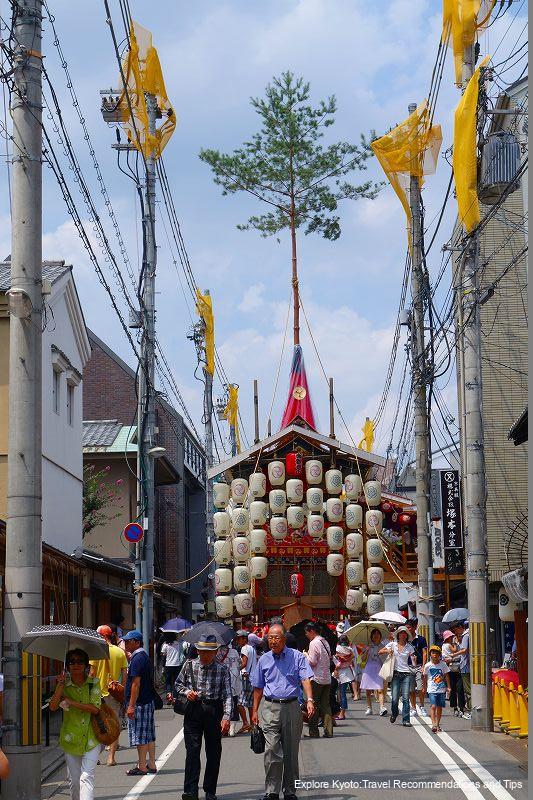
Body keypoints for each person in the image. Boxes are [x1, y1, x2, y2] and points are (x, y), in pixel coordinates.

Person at [251, 623, 315, 800]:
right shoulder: (264, 659)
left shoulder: (297, 657)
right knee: (271, 749)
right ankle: (272, 790)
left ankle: (290, 791)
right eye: (270, 638)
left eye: (276, 637)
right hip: (270, 707)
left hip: (292, 707)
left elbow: (305, 680)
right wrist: (254, 711)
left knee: (291, 752)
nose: (272, 641)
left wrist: (309, 700)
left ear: (284, 639)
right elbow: (257, 687)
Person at [174, 634, 232, 800]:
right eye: (202, 651)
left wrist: (226, 717)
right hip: (193, 710)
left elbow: (227, 695)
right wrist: (187, 692)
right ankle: (191, 790)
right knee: (192, 751)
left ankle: (210, 790)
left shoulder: (222, 669)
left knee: (213, 752)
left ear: (215, 652)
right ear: (197, 650)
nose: (205, 655)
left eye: (209, 652)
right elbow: (178, 684)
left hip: (213, 711)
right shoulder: (189, 665)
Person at [49, 648, 102, 800]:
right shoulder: (64, 685)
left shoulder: (93, 684)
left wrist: (71, 702)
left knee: (86, 777)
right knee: (75, 781)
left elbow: (95, 708)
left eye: (80, 661)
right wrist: (59, 685)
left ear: (86, 665)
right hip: (70, 739)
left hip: (92, 738)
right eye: (72, 661)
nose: (76, 664)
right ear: (67, 666)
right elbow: (53, 707)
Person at [89, 624, 127, 766]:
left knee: (95, 725)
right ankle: (111, 758)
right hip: (113, 693)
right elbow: (125, 674)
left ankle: (94, 756)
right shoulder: (119, 652)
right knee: (114, 724)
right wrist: (122, 688)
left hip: (97, 693)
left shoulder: (95, 652)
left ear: (101, 636)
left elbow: (92, 674)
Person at [123, 630, 156, 776]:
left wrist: (131, 705)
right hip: (147, 700)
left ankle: (142, 766)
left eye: (128, 641)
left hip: (140, 703)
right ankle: (151, 763)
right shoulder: (143, 656)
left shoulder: (137, 659)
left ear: (136, 642)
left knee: (140, 735)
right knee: (148, 734)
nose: (125, 643)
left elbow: (135, 684)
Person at [379, 626, 415, 727]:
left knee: (405, 698)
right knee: (394, 699)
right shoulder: (392, 644)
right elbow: (380, 651)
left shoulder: (409, 647)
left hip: (406, 674)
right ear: (398, 635)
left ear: (406, 635)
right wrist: (387, 651)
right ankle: (394, 713)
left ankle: (406, 720)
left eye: (404, 633)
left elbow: (413, 661)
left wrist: (415, 661)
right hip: (395, 674)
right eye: (400, 633)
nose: (402, 635)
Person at [304, 622, 333, 738]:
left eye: (307, 633)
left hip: (316, 678)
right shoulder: (324, 641)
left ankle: (314, 732)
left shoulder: (314, 643)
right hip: (327, 677)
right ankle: (328, 731)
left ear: (311, 631)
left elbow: (312, 662)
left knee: (313, 704)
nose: (306, 635)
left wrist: (305, 655)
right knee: (326, 705)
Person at [216, 640, 243, 737]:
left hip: (223, 681)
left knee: (223, 705)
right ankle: (232, 729)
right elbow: (240, 663)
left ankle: (223, 727)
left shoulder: (216, 652)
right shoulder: (234, 652)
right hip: (234, 680)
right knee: (234, 704)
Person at [359, 628, 387, 716]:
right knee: (368, 690)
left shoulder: (383, 646)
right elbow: (362, 659)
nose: (376, 635)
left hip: (378, 668)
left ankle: (382, 707)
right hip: (368, 668)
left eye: (378, 634)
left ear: (380, 636)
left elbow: (386, 659)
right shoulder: (367, 646)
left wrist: (381, 653)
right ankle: (369, 708)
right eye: (374, 634)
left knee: (380, 689)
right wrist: (367, 650)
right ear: (371, 636)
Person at [423, 645, 451, 733]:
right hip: (431, 688)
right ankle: (434, 724)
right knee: (433, 706)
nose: (434, 654)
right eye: (433, 652)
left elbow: (446, 675)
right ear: (430, 654)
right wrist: (424, 687)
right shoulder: (428, 665)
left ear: (439, 655)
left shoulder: (443, 664)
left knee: (439, 707)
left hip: (441, 689)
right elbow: (425, 676)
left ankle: (437, 724)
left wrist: (449, 687)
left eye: (436, 653)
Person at [405, 618, 428, 717]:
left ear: (415, 627)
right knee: (411, 690)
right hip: (408, 667)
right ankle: (413, 708)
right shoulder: (404, 640)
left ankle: (422, 706)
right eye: (406, 627)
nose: (407, 629)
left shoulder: (421, 639)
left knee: (421, 689)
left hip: (419, 666)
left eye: (409, 627)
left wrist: (423, 666)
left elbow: (425, 653)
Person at [235, 629, 255, 732]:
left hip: (244, 678)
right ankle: (252, 724)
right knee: (250, 703)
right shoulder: (252, 648)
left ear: (244, 639)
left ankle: (245, 723)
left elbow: (244, 663)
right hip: (252, 678)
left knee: (239, 702)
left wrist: (235, 669)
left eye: (239, 638)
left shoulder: (244, 648)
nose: (238, 640)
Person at [441, 630, 465, 716]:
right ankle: (456, 708)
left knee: (459, 689)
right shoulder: (450, 645)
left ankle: (461, 708)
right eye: (453, 637)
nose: (456, 637)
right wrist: (455, 644)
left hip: (457, 668)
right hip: (451, 669)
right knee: (453, 689)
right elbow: (455, 652)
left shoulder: (444, 645)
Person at [332, 636, 356, 720]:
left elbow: (337, 661)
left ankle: (341, 713)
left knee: (341, 694)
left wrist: (337, 665)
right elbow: (351, 658)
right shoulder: (351, 650)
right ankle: (341, 712)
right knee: (342, 694)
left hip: (339, 671)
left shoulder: (338, 648)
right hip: (346, 672)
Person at [451, 621, 471, 719]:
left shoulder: (466, 636)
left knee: (468, 690)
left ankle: (471, 710)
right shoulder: (467, 634)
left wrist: (454, 654)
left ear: (460, 627)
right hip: (465, 666)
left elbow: (465, 650)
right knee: (465, 689)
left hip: (465, 666)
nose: (456, 632)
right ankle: (469, 709)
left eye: (456, 630)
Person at [161, 634, 186, 706]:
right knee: (175, 682)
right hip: (177, 665)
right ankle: (175, 698)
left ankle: (169, 695)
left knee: (168, 681)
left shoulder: (165, 644)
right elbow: (182, 652)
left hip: (168, 665)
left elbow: (163, 654)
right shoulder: (178, 644)